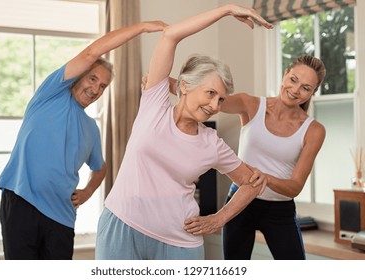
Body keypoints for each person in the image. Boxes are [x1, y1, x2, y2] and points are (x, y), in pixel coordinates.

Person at [95, 4, 273, 260]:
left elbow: (252, 182)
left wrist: (218, 219)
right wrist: (226, 10)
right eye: (211, 93)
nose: (215, 106)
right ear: (186, 86)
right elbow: (170, 35)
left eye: (221, 100)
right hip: (122, 226)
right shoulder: (154, 104)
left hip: (179, 241)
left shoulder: (211, 143)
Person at [0, 21, 166, 260]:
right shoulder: (50, 95)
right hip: (22, 202)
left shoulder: (91, 129)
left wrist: (87, 191)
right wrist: (143, 27)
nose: (96, 89)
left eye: (103, 86)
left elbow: (101, 167)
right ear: (78, 76)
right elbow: (92, 52)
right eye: (92, 79)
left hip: (62, 217)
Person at [218, 55, 326, 260]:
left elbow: (295, 186)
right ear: (285, 74)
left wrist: (264, 178)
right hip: (239, 203)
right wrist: (160, 83)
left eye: (305, 88)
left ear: (313, 92)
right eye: (293, 79)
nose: (295, 90)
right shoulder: (249, 104)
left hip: (279, 211)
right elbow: (208, 98)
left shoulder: (313, 130)